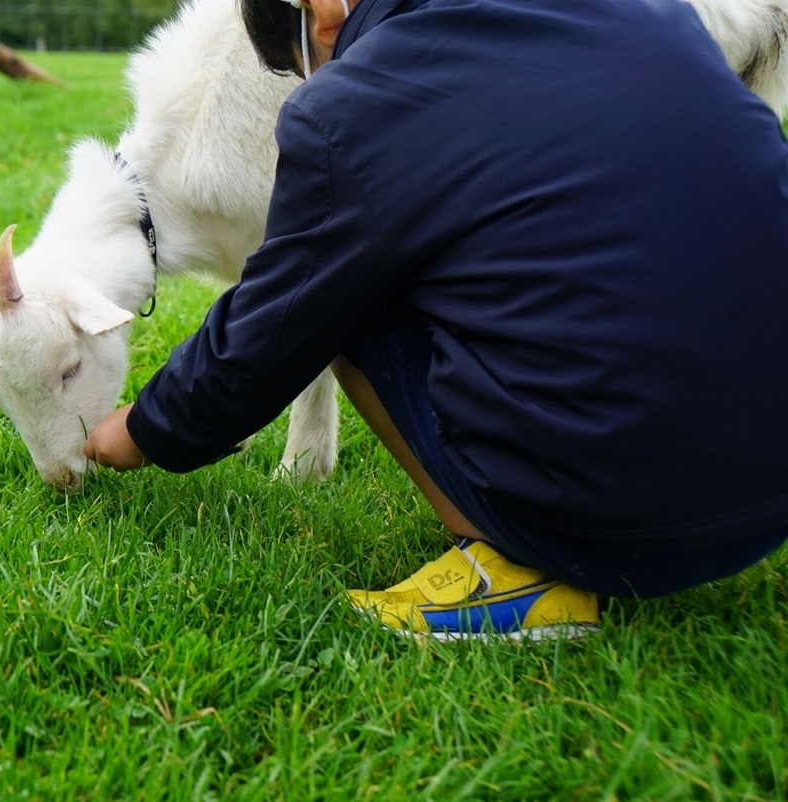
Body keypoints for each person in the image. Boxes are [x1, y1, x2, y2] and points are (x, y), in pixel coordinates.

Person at [84, 0, 788, 640]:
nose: (319, 78)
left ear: (319, 13)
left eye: (306, 64)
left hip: (608, 526)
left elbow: (277, 322)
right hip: (771, 495)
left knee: (341, 286)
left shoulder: (356, 98)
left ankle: (510, 563)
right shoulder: (653, 11)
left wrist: (142, 430)